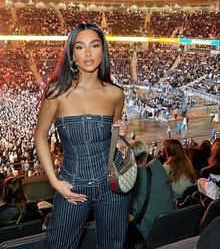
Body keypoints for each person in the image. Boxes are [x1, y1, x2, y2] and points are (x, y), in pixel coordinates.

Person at [34, 23, 129, 249]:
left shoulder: (116, 94)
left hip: (112, 186)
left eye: (94, 45)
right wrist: (54, 182)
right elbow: (40, 136)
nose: (88, 53)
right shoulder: (57, 93)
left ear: (102, 51)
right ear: (72, 54)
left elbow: (113, 138)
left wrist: (119, 132)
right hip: (72, 186)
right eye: (80, 47)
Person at [129, 141, 175, 244]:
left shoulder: (132, 180)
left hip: (147, 235)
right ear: (145, 157)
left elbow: (131, 216)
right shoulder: (159, 169)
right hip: (170, 228)